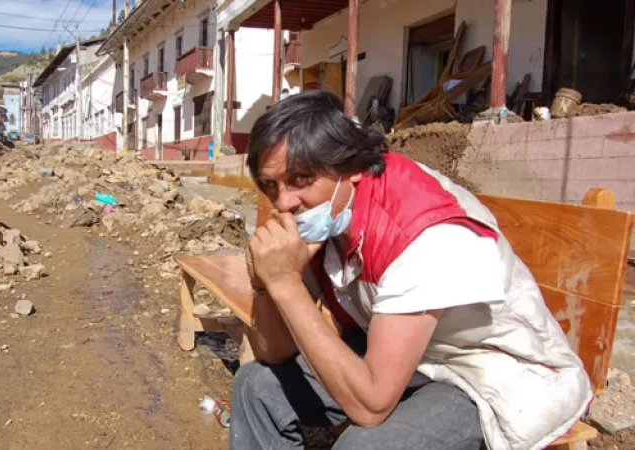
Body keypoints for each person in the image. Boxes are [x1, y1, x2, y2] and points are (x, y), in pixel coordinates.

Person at [231, 90, 592, 450]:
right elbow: (273, 352)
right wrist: (265, 282)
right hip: (402, 348)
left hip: (486, 367)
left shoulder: (421, 232)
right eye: (270, 185)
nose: (283, 203)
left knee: (364, 446)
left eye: (300, 179)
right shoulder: (326, 214)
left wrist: (284, 282)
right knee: (255, 388)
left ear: (350, 168)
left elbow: (370, 406)